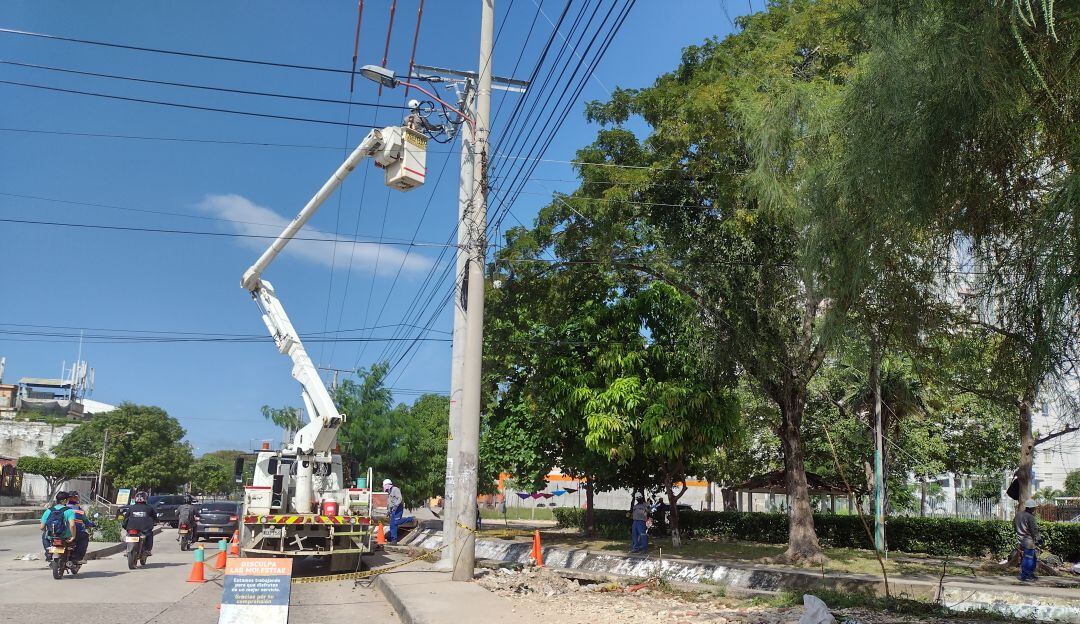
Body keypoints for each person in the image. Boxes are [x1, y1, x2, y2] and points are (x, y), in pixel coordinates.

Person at [39, 491, 76, 563]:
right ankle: (73, 558)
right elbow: (72, 525)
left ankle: (48, 552)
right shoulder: (69, 511)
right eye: (68, 499)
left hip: (52, 535)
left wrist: (47, 532)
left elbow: (42, 527)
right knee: (76, 542)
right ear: (65, 500)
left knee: (44, 536)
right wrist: (73, 536)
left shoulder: (48, 510)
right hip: (65, 536)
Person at [122, 491, 158, 556]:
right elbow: (155, 517)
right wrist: (156, 522)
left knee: (128, 536)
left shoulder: (131, 507)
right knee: (149, 535)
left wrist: (125, 525)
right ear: (145, 499)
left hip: (131, 527)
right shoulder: (149, 508)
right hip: (145, 529)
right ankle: (147, 550)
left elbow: (125, 518)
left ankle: (126, 550)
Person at [1015, 498, 1041, 581]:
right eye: (1034, 507)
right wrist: (1039, 540)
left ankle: (1030, 573)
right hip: (1028, 541)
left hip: (1020, 540)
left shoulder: (1018, 514)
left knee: (1032, 558)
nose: (1035, 509)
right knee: (1028, 559)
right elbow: (1034, 531)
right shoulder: (1031, 517)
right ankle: (1025, 575)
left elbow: (1014, 525)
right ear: (1031, 508)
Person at [65, 491, 93, 564]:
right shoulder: (79, 510)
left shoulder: (63, 508)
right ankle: (77, 558)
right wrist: (91, 524)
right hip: (75, 532)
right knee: (85, 537)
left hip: (61, 533)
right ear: (76, 498)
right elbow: (86, 521)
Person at [383, 478, 413, 544]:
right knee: (392, 525)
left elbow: (400, 498)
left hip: (398, 508)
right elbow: (389, 503)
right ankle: (394, 540)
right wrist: (388, 511)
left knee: (396, 522)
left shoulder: (395, 489)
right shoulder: (389, 492)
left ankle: (410, 519)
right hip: (392, 510)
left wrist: (396, 506)